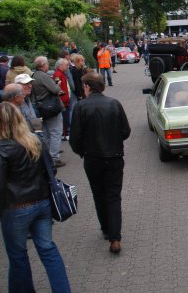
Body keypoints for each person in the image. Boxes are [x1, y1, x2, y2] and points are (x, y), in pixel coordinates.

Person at [0, 102, 71, 293]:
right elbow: (50, 169)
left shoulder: (0, 149)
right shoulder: (34, 141)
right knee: (48, 249)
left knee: (18, 255)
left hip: (16, 208)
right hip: (42, 203)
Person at [70, 72, 131, 254]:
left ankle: (106, 228)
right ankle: (115, 237)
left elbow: (75, 138)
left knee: (99, 194)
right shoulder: (114, 104)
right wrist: (115, 142)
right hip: (114, 157)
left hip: (93, 158)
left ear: (87, 87)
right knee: (113, 195)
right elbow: (126, 131)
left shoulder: (80, 107)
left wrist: (83, 151)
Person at [31, 56, 66, 168]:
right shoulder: (43, 76)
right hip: (50, 107)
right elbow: (55, 90)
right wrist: (58, 85)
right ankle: (54, 158)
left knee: (46, 132)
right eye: (47, 64)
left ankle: (46, 156)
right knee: (56, 132)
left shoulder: (33, 75)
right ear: (43, 65)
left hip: (40, 107)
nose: (48, 66)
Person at [53, 58, 72, 140]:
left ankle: (66, 133)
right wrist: (63, 98)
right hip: (63, 101)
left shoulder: (61, 73)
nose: (68, 67)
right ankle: (64, 134)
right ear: (61, 65)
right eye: (66, 65)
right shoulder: (57, 74)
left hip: (65, 100)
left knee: (66, 117)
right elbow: (58, 87)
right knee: (64, 118)